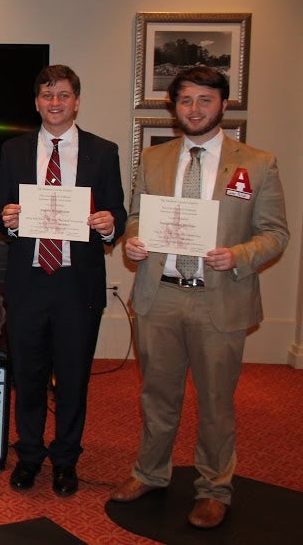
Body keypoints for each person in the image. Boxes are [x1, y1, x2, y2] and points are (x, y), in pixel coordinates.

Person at [110, 66, 288, 529]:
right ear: (175, 107)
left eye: (204, 100)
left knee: (215, 401)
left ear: (223, 105)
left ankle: (214, 488)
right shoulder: (155, 160)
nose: (194, 109)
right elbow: (136, 216)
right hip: (161, 295)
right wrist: (133, 240)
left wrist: (241, 254)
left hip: (219, 299)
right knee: (157, 397)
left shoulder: (258, 163)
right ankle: (150, 472)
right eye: (186, 100)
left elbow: (275, 234)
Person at [0, 64, 127, 497]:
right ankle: (30, 455)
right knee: (27, 376)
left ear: (77, 101)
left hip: (77, 283)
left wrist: (109, 225)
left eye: (64, 95)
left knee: (73, 378)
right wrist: (10, 222)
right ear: (36, 102)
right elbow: (4, 213)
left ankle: (66, 458)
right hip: (29, 281)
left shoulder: (102, 152)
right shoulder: (13, 150)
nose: (55, 103)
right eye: (47, 95)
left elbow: (118, 215)